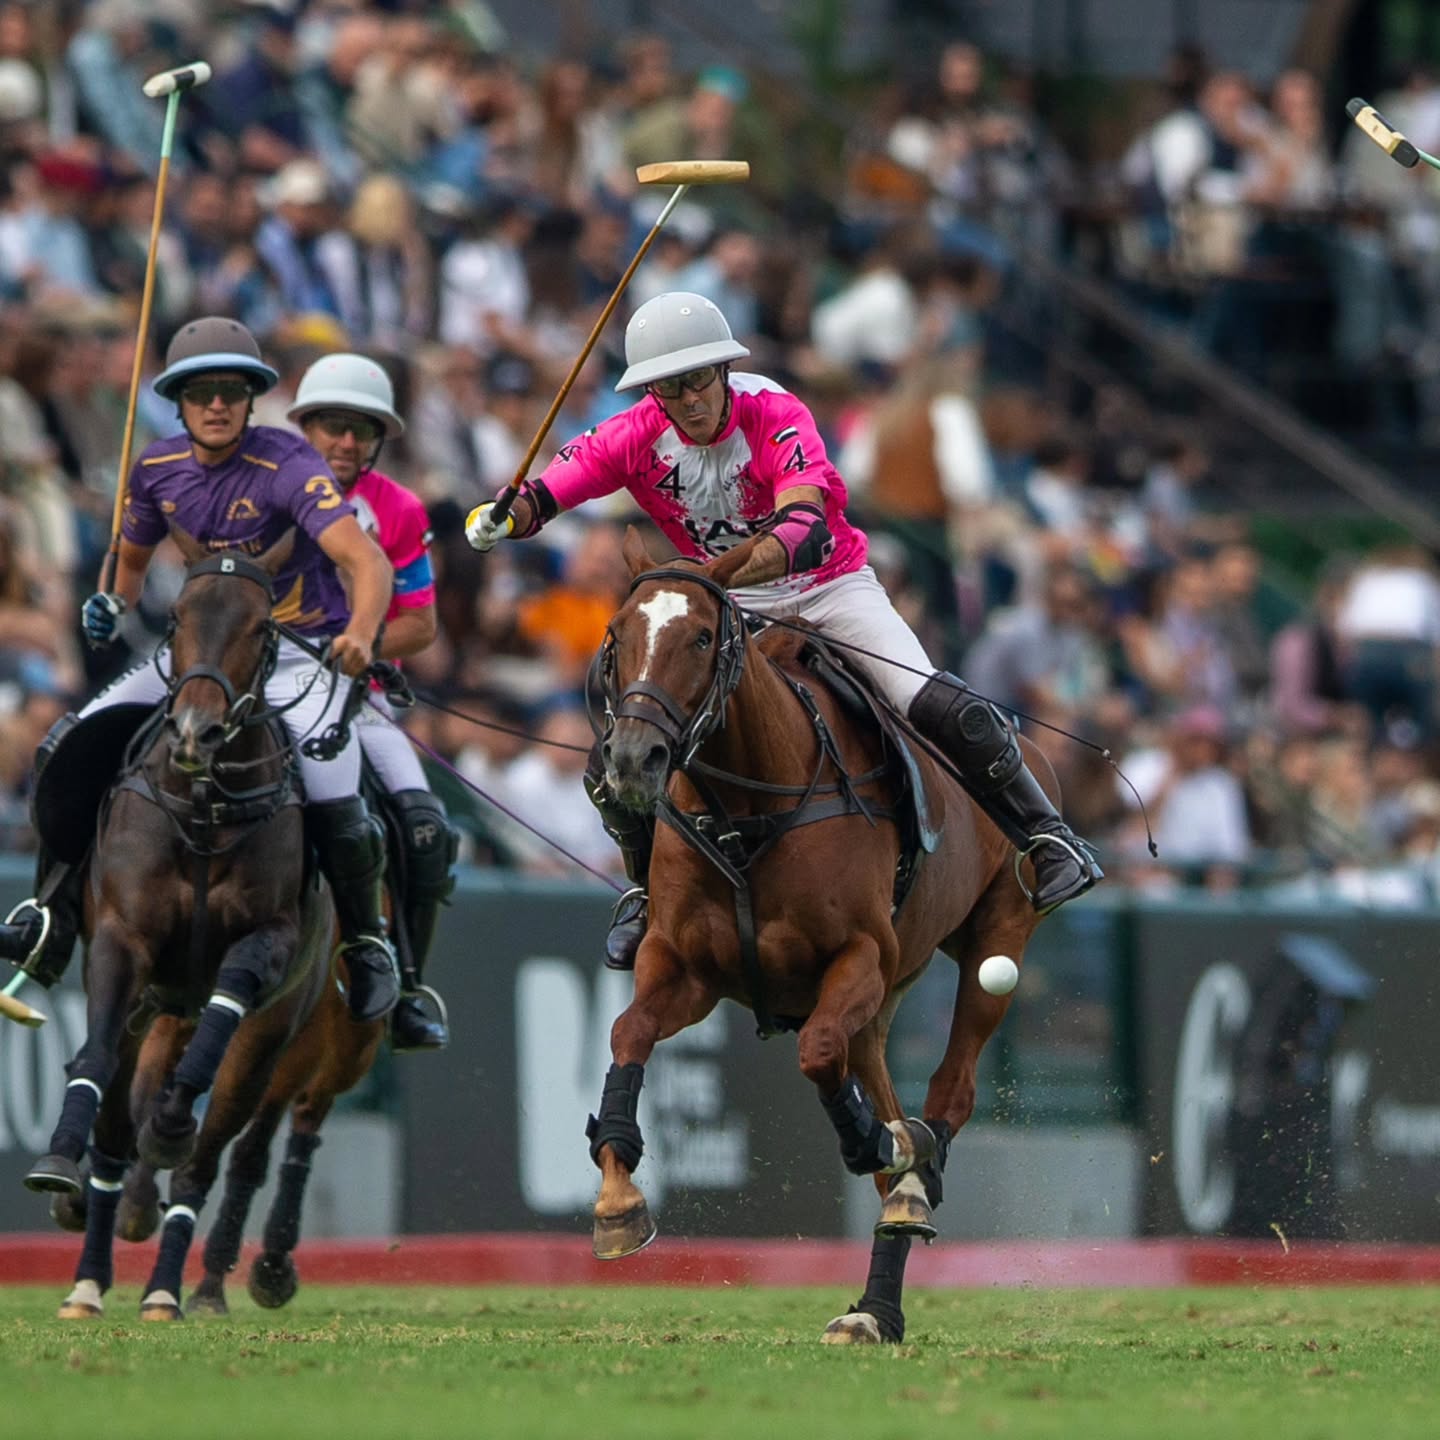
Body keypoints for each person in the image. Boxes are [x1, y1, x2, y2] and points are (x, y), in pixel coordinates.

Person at [464, 291, 1102, 970]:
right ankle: (648, 892)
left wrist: (722, 573)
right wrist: (513, 514)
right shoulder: (635, 432)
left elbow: (804, 524)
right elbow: (565, 480)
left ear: (723, 371)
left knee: (928, 700)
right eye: (668, 388)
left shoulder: (774, 412)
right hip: (732, 607)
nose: (686, 400)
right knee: (637, 740)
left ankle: (1047, 837)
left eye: (697, 380)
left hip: (829, 586)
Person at [0, 317, 402, 1023]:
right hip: (194, 655)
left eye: (231, 391)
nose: (216, 405)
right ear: (179, 401)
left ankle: (365, 943)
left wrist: (363, 633)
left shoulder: (290, 466)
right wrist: (110, 606)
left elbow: (363, 562)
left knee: (335, 779)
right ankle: (49, 915)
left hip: (284, 653)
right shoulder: (157, 469)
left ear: (251, 399)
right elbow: (124, 566)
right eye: (200, 392)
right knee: (69, 741)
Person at [287, 351, 458, 1051]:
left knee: (425, 828)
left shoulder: (398, 508)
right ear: (307, 428)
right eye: (333, 426)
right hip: (254, 681)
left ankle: (407, 985)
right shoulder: (264, 488)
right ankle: (56, 916)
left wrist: (362, 643)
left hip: (356, 693)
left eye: (361, 430)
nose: (347, 443)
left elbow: (420, 622)